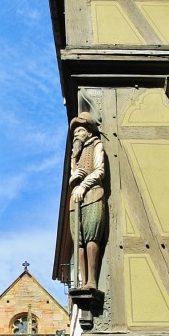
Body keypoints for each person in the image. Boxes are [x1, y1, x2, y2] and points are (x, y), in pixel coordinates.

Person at [69, 113, 106, 290]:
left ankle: (92, 281)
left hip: (93, 194)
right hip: (75, 199)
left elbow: (99, 170)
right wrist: (73, 178)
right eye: (75, 132)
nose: (77, 134)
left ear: (89, 132)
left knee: (92, 235)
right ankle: (83, 281)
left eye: (80, 130)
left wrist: (83, 185)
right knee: (79, 240)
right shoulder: (74, 155)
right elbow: (72, 176)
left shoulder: (96, 144)